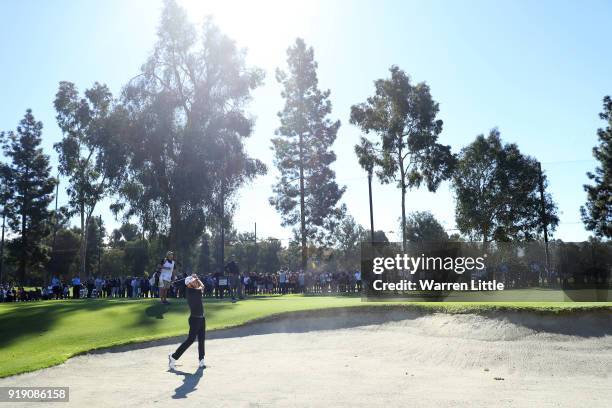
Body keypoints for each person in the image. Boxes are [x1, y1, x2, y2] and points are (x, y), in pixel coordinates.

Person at [168, 274, 206, 370]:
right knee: (190, 340)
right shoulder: (191, 291)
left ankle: (201, 359)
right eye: (193, 281)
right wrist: (198, 278)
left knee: (201, 340)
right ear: (189, 284)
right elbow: (202, 287)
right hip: (195, 319)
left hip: (201, 318)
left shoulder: (193, 289)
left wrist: (196, 279)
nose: (195, 282)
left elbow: (201, 287)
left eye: (194, 281)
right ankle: (173, 357)